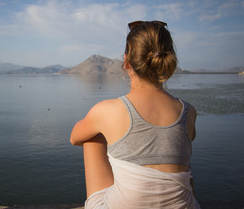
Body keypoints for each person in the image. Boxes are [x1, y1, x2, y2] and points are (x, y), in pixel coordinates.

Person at [70, 21, 200, 209]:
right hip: (188, 205)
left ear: (126, 62)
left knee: (93, 135)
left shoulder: (108, 110)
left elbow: (74, 137)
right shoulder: (189, 111)